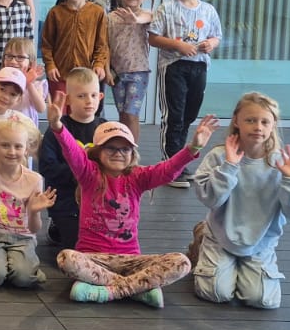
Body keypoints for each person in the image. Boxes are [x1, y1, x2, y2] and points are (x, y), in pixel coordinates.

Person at [48, 93, 217, 307]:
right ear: (98, 151)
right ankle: (138, 289)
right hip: (93, 258)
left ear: (132, 153)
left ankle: (108, 291)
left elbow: (167, 170)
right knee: (67, 258)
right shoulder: (89, 174)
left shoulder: (137, 177)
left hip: (131, 260)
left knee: (181, 262)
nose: (118, 153)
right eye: (111, 147)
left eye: (125, 148)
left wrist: (193, 148)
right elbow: (73, 152)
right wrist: (57, 126)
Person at [189, 92, 290, 309]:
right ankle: (203, 241)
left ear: (273, 125)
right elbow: (210, 199)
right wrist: (229, 166)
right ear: (236, 121)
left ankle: (238, 267)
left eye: (265, 122)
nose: (258, 127)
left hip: (260, 242)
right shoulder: (219, 155)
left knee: (262, 299)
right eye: (250, 120)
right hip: (221, 236)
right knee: (215, 292)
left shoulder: (281, 163)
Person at [149, 0, 223, 185]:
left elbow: (216, 36)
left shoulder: (208, 10)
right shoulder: (167, 8)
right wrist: (177, 45)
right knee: (174, 116)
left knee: (189, 115)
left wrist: (211, 43)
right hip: (174, 67)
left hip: (199, 66)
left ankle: (180, 163)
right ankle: (170, 165)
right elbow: (153, 37)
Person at [0, 116, 54, 288]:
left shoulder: (34, 179)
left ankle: (21, 268)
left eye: (18, 146)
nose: (12, 151)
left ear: (26, 149)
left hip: (22, 238)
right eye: (5, 145)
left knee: (23, 278)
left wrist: (34, 211)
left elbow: (34, 229)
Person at [38, 66, 103, 246]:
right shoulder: (57, 129)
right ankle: (56, 226)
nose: (89, 101)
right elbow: (47, 166)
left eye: (93, 95)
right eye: (81, 96)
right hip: (66, 201)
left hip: (98, 201)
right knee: (77, 245)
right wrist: (80, 173)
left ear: (100, 97)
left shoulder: (105, 129)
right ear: (68, 100)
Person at [40, 0, 108, 98]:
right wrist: (50, 65)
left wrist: (99, 63)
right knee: (60, 108)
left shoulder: (97, 12)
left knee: (82, 108)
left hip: (86, 75)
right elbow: (46, 44)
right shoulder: (55, 13)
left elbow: (102, 44)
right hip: (59, 74)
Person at [106, 0, 156, 141]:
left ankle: (133, 150)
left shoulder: (148, 16)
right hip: (117, 72)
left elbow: (147, 17)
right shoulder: (111, 18)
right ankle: (124, 146)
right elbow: (105, 46)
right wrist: (107, 69)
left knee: (132, 114)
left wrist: (135, 19)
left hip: (138, 72)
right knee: (122, 114)